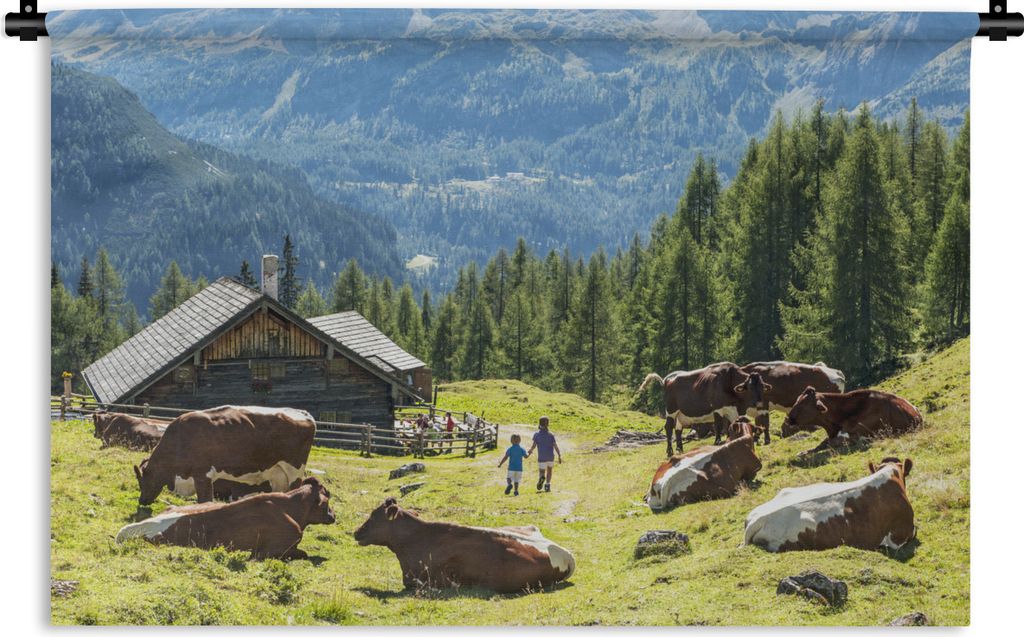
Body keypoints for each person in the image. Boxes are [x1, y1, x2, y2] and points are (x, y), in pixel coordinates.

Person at [527, 416, 562, 492]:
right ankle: (547, 485)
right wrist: (559, 455)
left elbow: (533, 445)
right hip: (550, 457)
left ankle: (541, 477)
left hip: (542, 457)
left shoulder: (537, 435)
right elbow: (555, 446)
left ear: (539, 424)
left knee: (542, 471)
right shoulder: (551, 435)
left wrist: (530, 451)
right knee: (549, 470)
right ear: (548, 424)